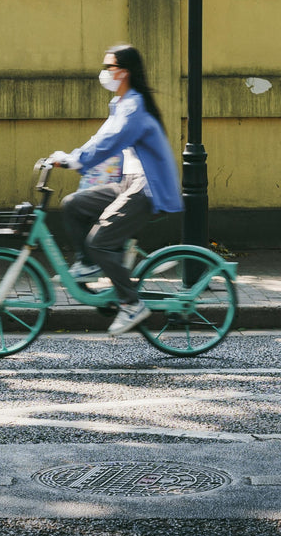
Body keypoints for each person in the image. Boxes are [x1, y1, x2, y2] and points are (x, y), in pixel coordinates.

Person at [47, 43, 182, 337]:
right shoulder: (121, 104)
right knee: (73, 204)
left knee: (99, 242)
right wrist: (70, 156)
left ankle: (131, 303)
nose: (105, 73)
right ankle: (87, 265)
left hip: (147, 186)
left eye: (110, 68)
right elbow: (101, 137)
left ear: (125, 72)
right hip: (127, 182)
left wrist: (75, 160)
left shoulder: (134, 107)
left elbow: (110, 142)